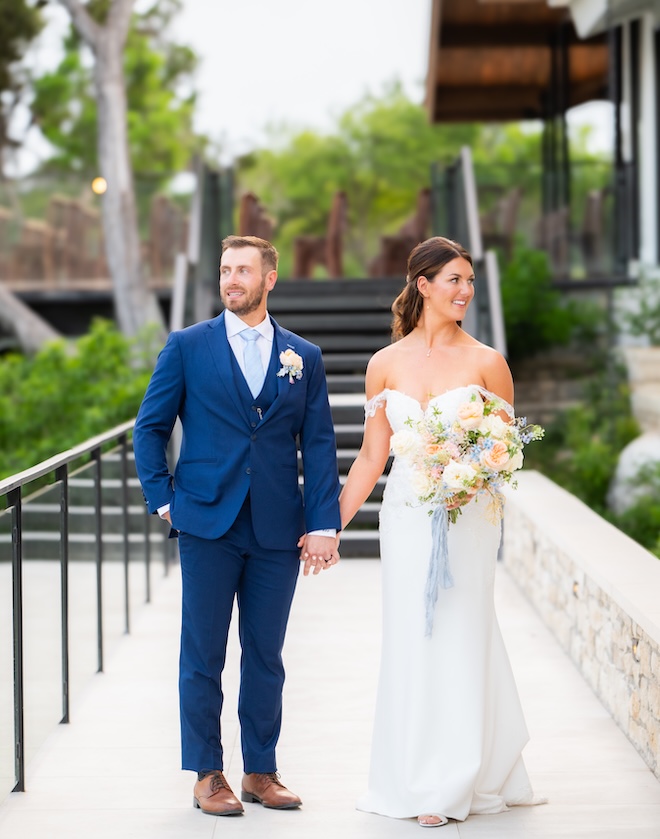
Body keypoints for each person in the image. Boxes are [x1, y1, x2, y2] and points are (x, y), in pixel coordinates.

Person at [133, 234, 341, 817]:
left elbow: (319, 444)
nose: (231, 280)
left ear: (269, 279)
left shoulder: (303, 356)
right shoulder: (187, 346)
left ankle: (260, 770)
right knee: (203, 654)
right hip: (207, 522)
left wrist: (324, 523)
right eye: (226, 270)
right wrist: (164, 500)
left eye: (244, 271)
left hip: (277, 526)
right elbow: (149, 428)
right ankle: (207, 773)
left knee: (266, 654)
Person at [338, 236, 541, 828]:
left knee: (461, 632)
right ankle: (411, 774)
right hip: (405, 518)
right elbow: (371, 457)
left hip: (468, 518)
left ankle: (454, 780)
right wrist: (328, 524)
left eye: (470, 281)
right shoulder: (384, 364)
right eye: (455, 280)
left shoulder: (488, 362)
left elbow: (508, 449)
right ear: (423, 285)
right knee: (411, 637)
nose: (466, 291)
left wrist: (473, 477)